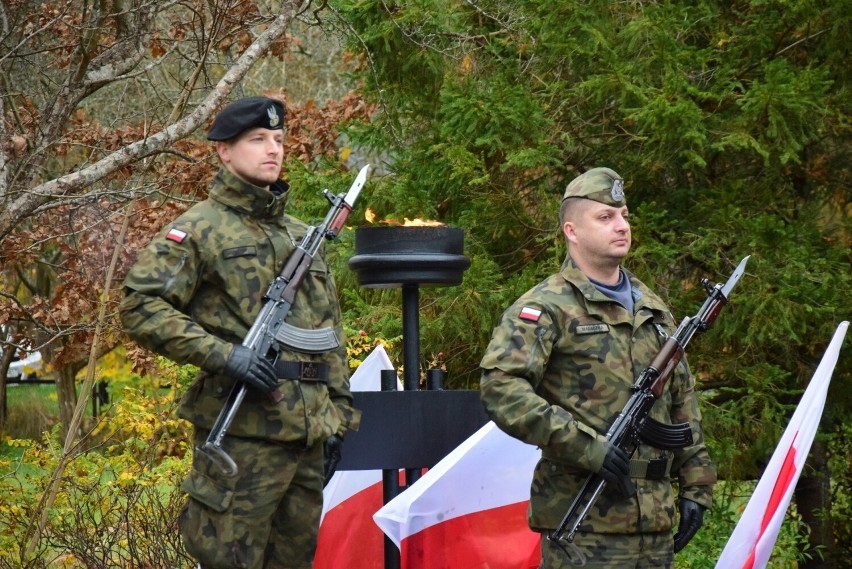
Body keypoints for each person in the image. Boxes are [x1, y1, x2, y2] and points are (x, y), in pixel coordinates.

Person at [120, 96, 360, 569]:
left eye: (278, 139)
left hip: (307, 439)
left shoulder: (300, 236)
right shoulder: (199, 230)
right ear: (224, 152)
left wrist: (339, 419)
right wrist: (224, 355)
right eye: (257, 140)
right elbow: (141, 306)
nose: (273, 149)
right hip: (242, 436)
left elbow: (327, 332)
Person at [479, 167, 716, 569]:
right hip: (584, 525)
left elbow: (681, 399)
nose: (621, 225)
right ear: (572, 230)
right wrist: (585, 446)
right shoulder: (546, 306)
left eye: (623, 215)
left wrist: (697, 485)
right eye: (605, 218)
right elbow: (501, 388)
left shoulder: (652, 307)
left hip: (654, 527)